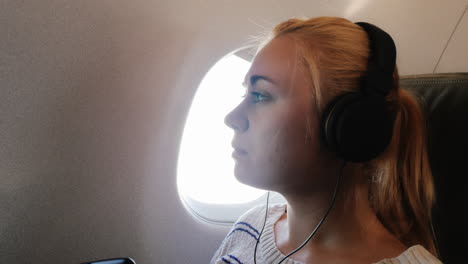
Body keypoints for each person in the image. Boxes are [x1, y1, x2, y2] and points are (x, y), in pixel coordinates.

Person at [211, 17, 442, 264]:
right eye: (245, 92)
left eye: (259, 95)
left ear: (350, 128)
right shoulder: (250, 228)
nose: (231, 117)